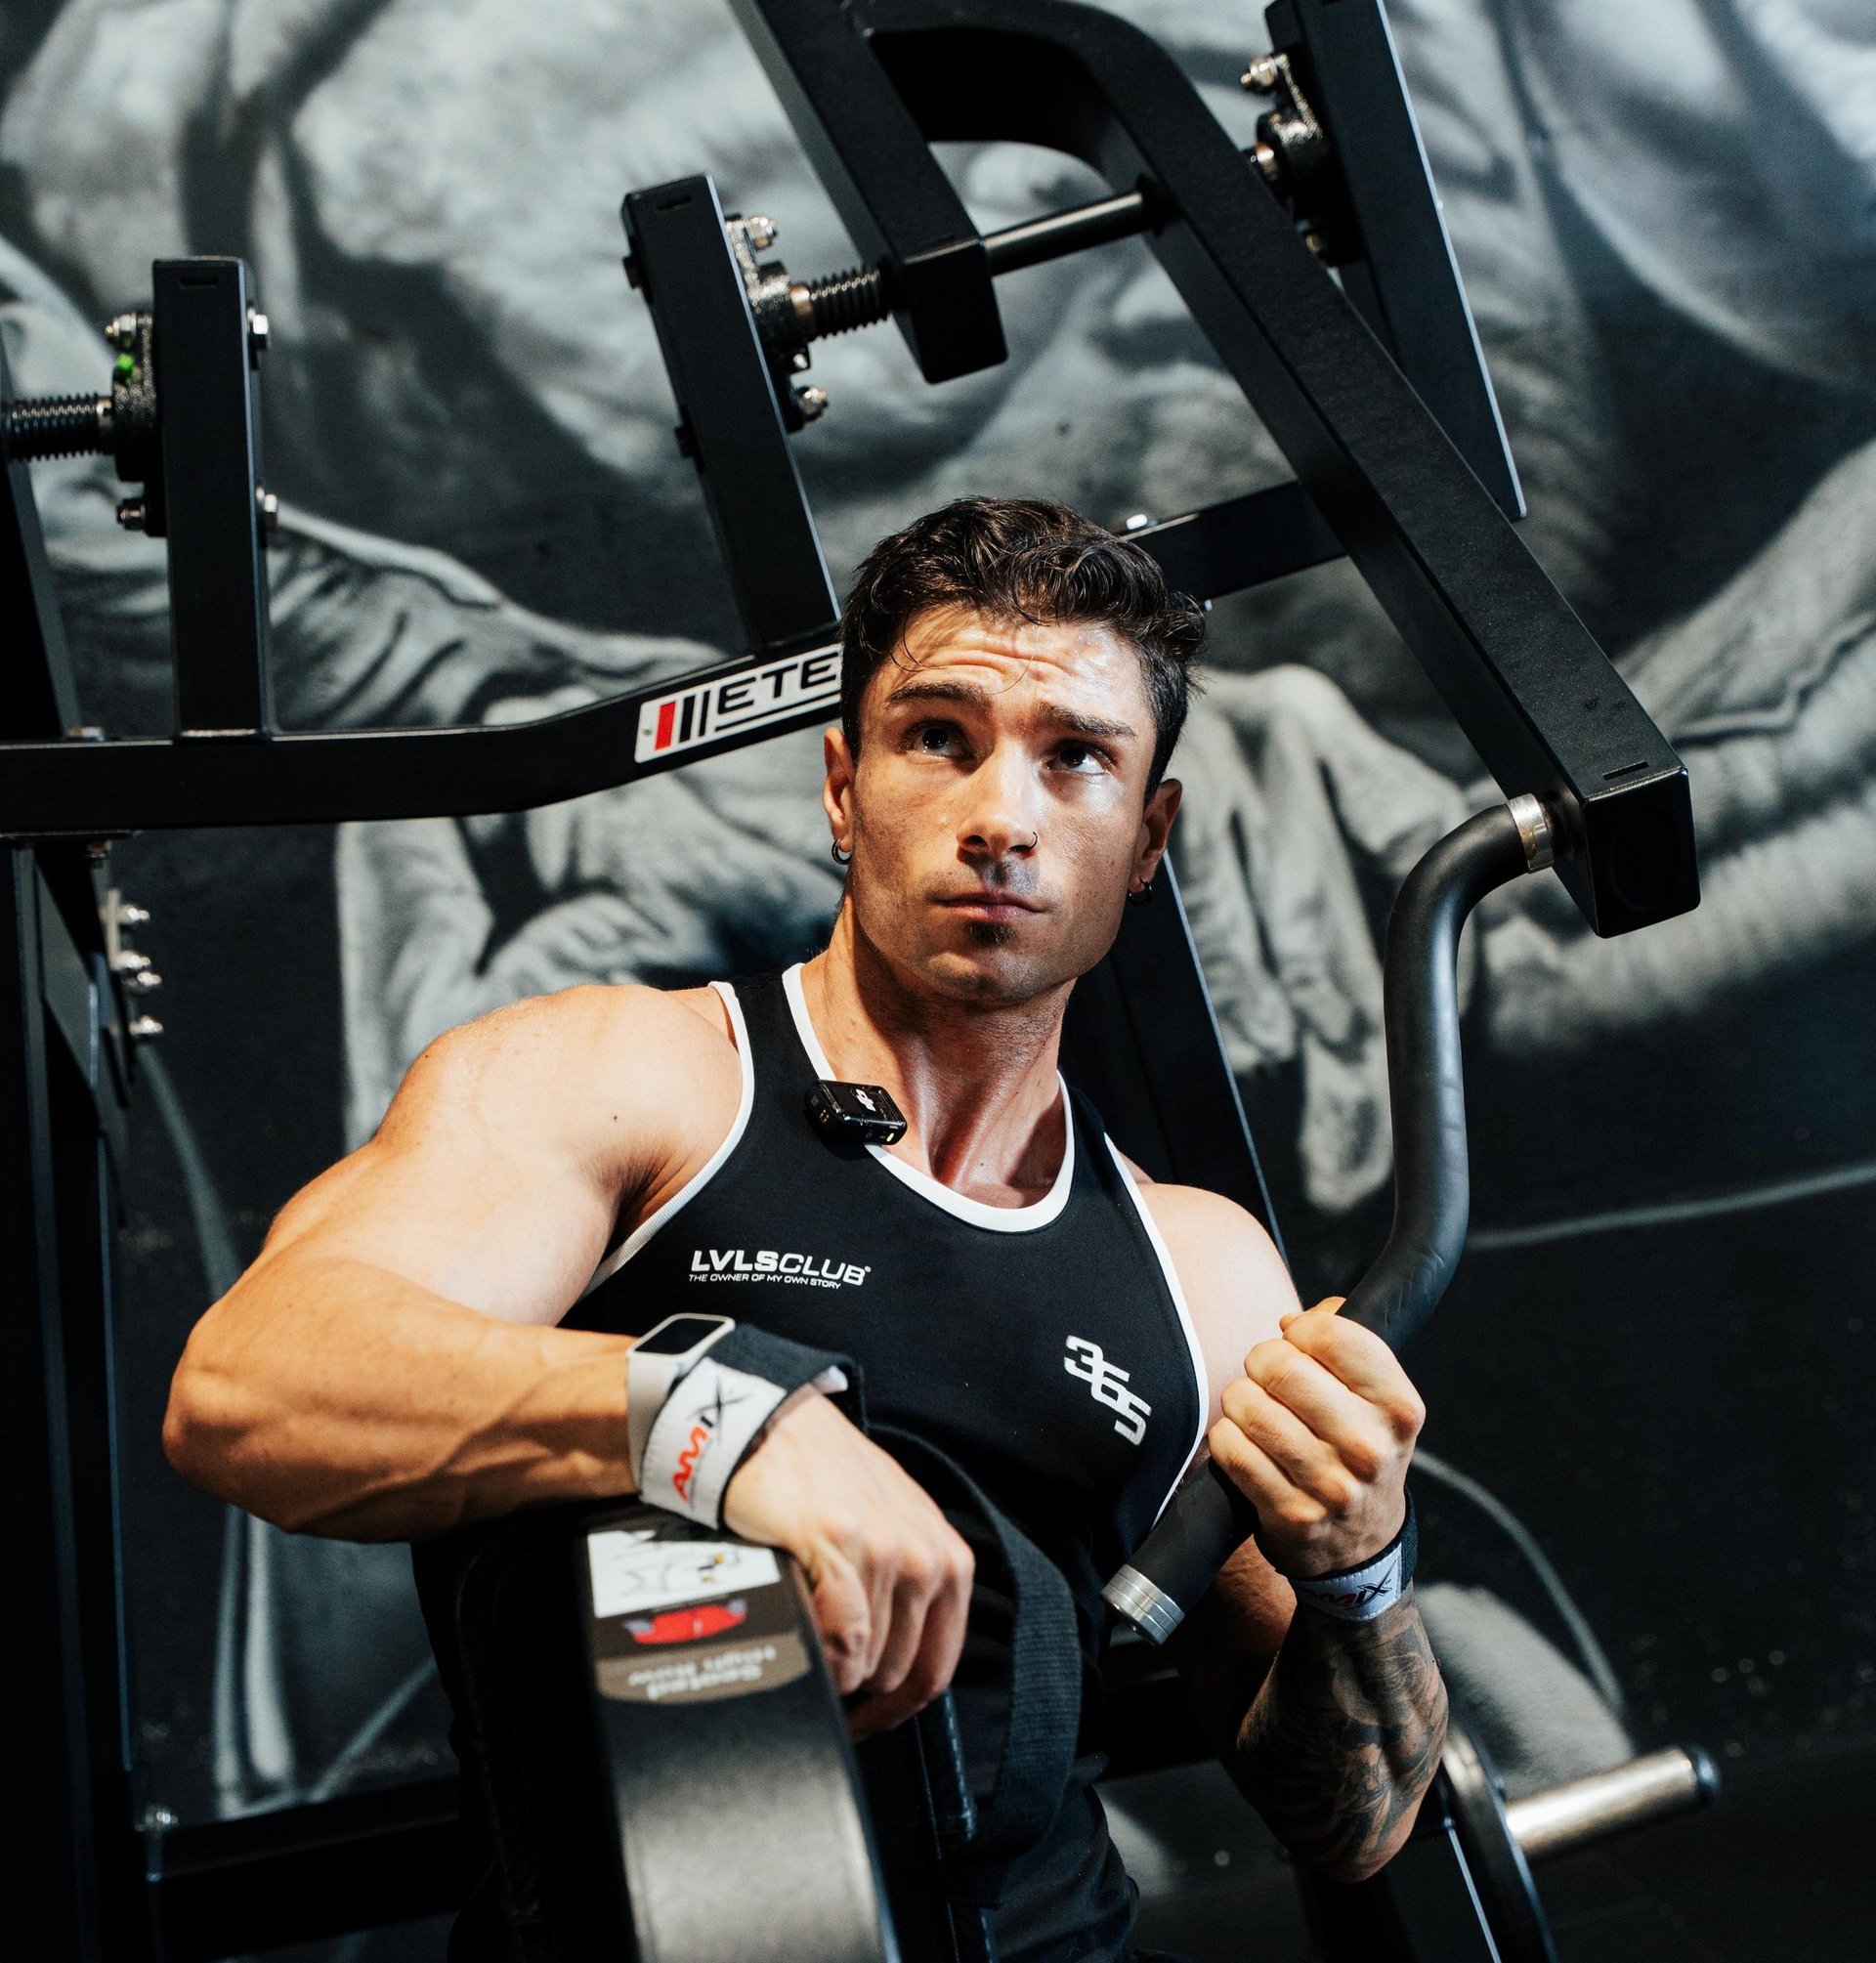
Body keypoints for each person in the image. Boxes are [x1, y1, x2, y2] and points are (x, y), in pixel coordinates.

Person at [163, 498, 1446, 1961]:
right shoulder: (633, 1078)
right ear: (842, 786)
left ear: (1148, 836)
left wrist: (1364, 1573)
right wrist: (719, 1420)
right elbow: (250, 1383)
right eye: (938, 736)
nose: (1002, 818)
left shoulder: (1202, 1268)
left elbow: (1349, 1816)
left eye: (1075, 756)